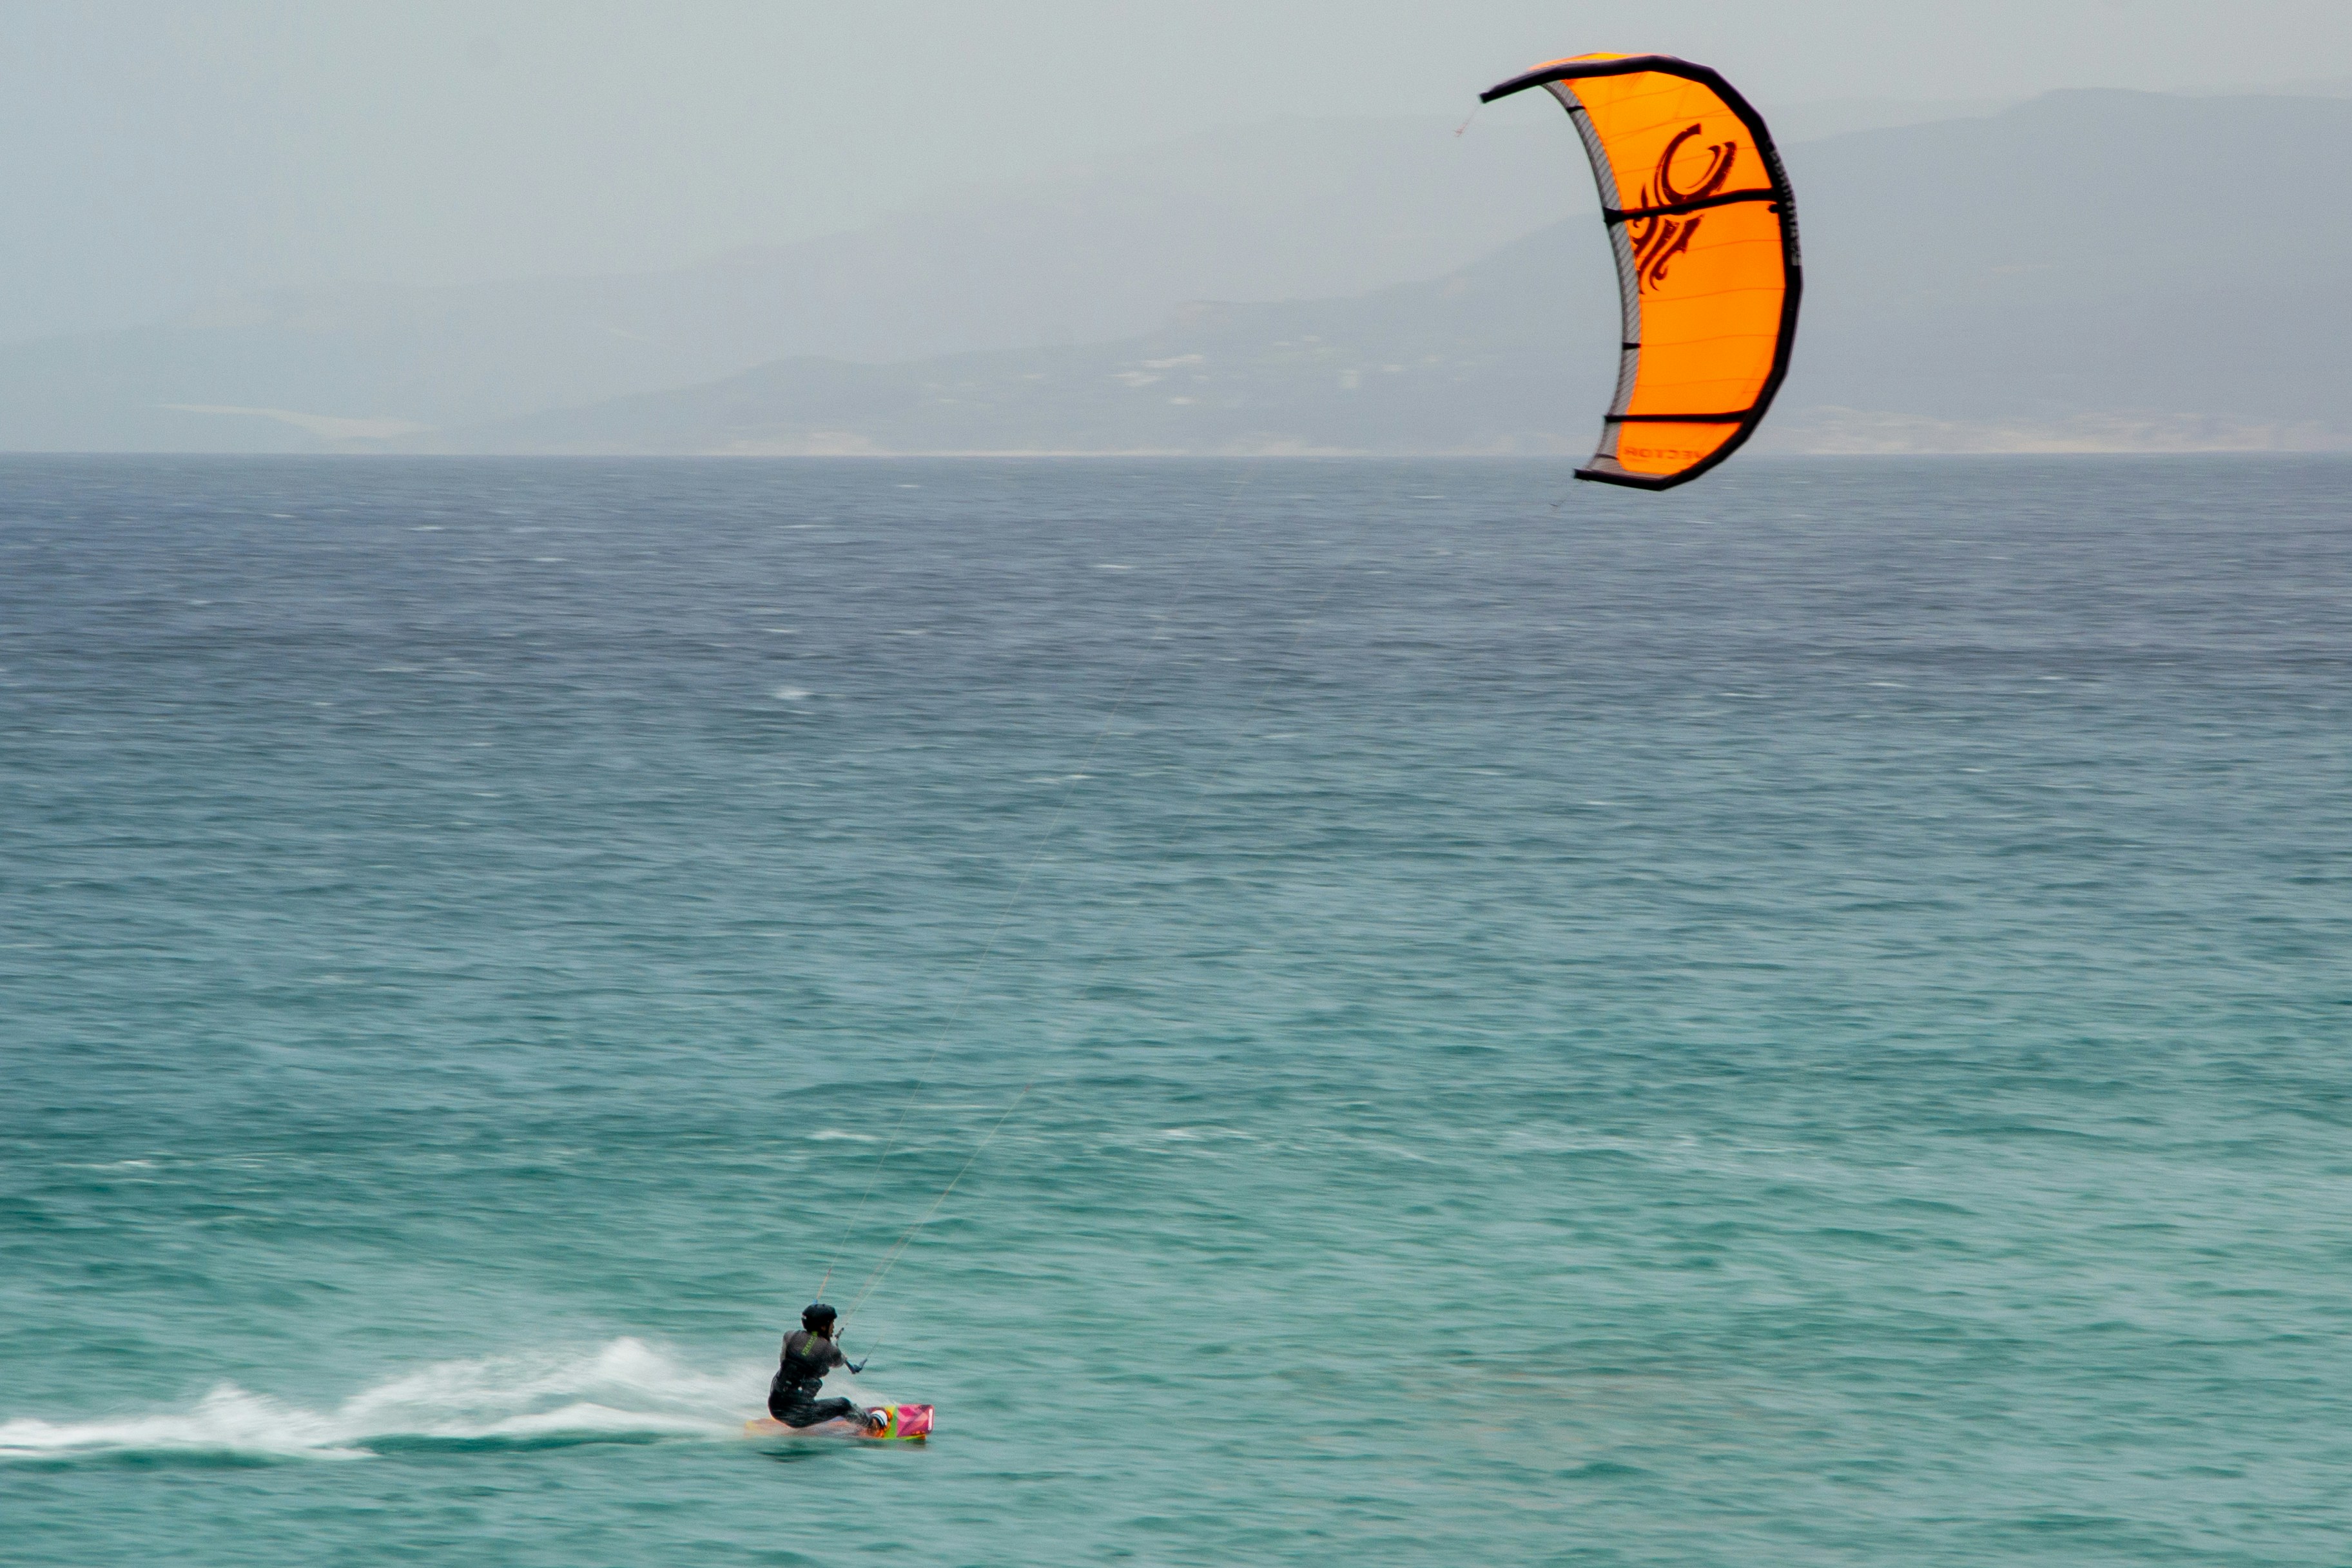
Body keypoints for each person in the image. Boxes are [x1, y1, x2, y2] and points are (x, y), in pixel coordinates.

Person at [768, 1303, 880, 1431]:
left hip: (774, 1406)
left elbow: (786, 1359)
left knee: (788, 1372)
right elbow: (837, 1363)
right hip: (798, 1416)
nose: (833, 1328)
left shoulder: (789, 1336)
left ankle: (791, 1408)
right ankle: (873, 1425)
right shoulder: (830, 1350)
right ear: (823, 1326)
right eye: (832, 1323)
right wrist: (836, 1353)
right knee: (843, 1405)